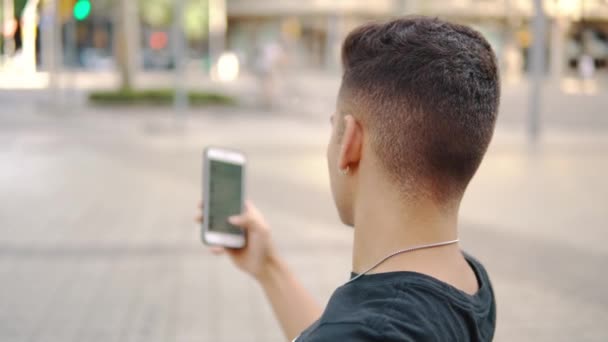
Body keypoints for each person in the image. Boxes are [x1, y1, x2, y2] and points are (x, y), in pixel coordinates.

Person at [198, 16, 499, 341]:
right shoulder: (469, 281)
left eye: (333, 126)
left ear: (350, 143)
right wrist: (269, 268)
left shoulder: (367, 330)